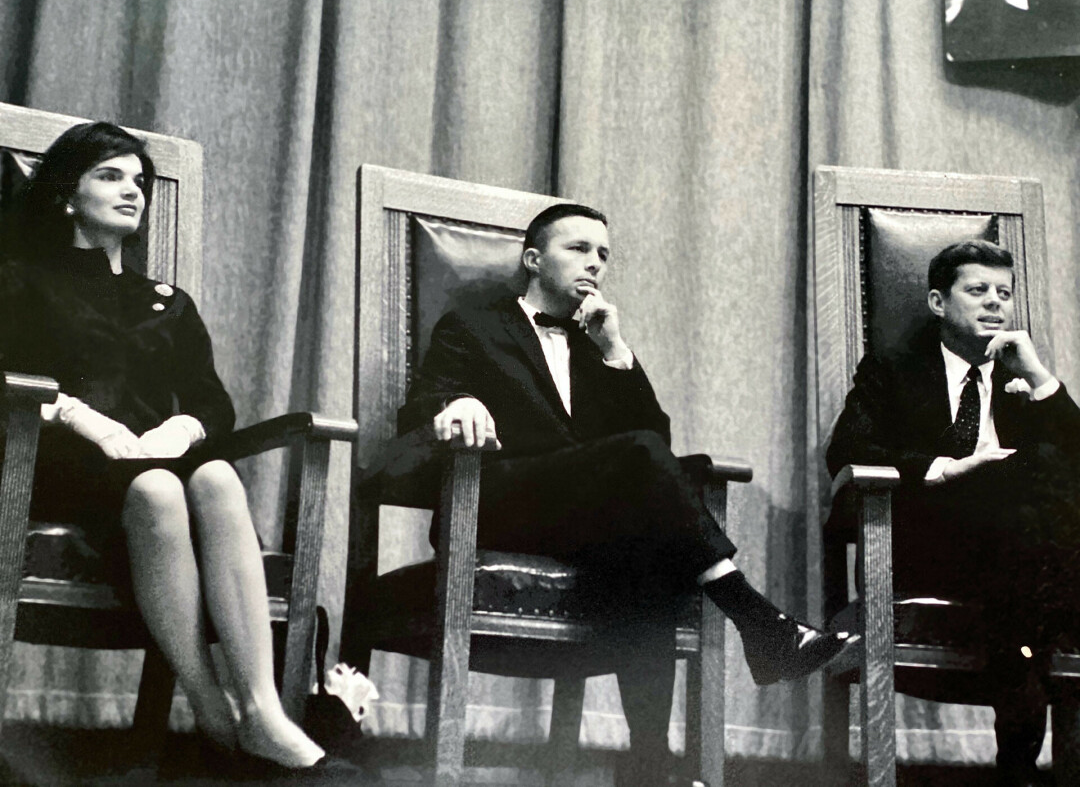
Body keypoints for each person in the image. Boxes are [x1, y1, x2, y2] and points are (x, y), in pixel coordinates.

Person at [395, 203, 857, 787]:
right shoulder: (475, 325)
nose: (595, 264)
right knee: (643, 486)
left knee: (652, 559)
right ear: (534, 260)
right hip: (495, 504)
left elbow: (656, 450)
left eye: (604, 254)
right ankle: (756, 619)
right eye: (579, 249)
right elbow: (420, 406)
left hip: (578, 518)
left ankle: (647, 767)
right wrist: (456, 403)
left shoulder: (596, 347)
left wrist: (615, 352)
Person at [0, 122, 352, 780]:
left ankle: (262, 710)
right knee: (161, 488)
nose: (132, 190)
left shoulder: (165, 301)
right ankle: (211, 711)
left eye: (139, 180)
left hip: (148, 463)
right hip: (48, 463)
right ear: (65, 195)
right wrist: (81, 417)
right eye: (110, 175)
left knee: (214, 476)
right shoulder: (19, 280)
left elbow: (213, 403)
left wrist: (180, 430)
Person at [827, 239, 1080, 787]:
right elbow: (847, 453)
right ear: (939, 302)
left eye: (1005, 293)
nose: (995, 303)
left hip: (1017, 559)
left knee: (1040, 502)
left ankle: (1019, 759)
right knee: (1028, 504)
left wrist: (1040, 378)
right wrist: (947, 468)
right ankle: (1018, 767)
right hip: (924, 549)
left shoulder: (1020, 383)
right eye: (978, 290)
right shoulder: (892, 370)